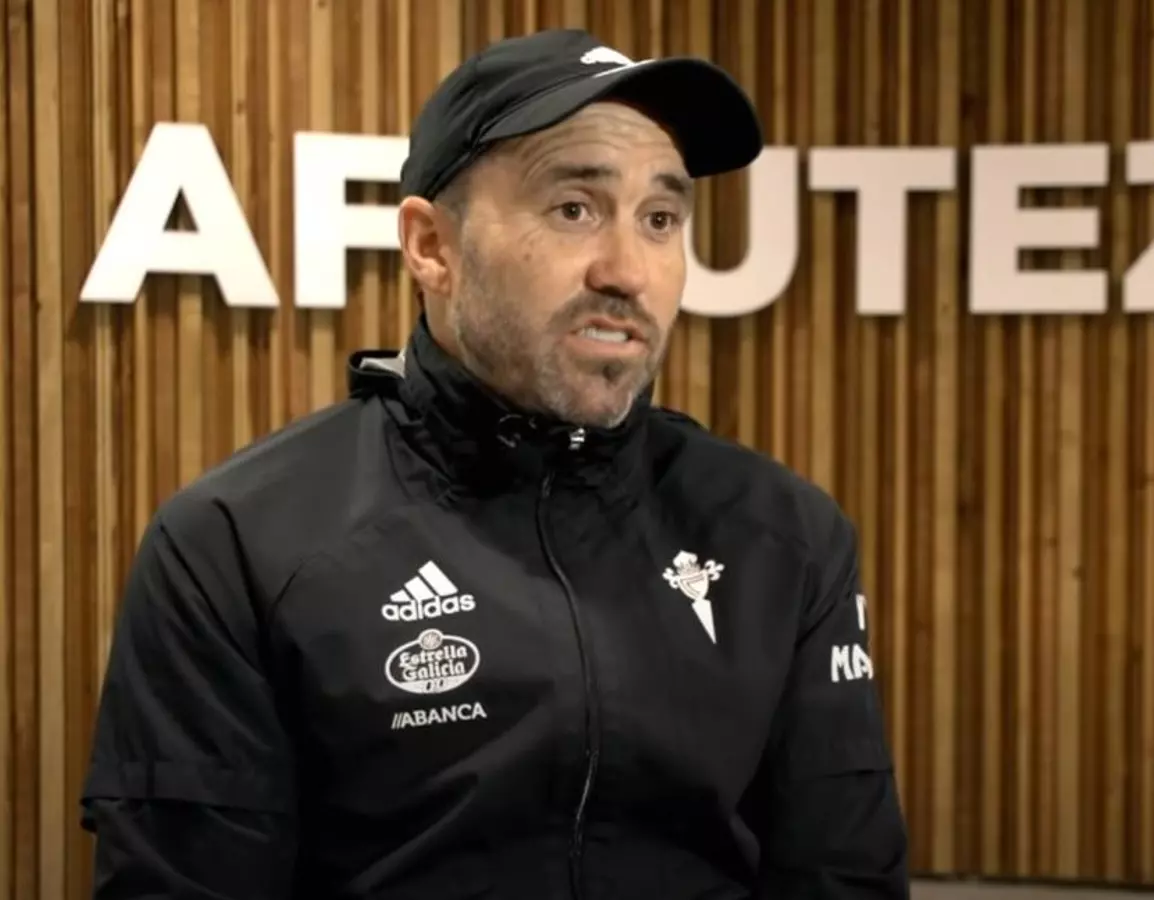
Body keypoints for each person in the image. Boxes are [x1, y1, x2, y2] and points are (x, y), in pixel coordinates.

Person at [79, 27, 910, 899]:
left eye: (660, 220)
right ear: (431, 246)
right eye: (574, 209)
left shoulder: (784, 535)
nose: (627, 270)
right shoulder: (236, 545)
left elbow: (843, 876)